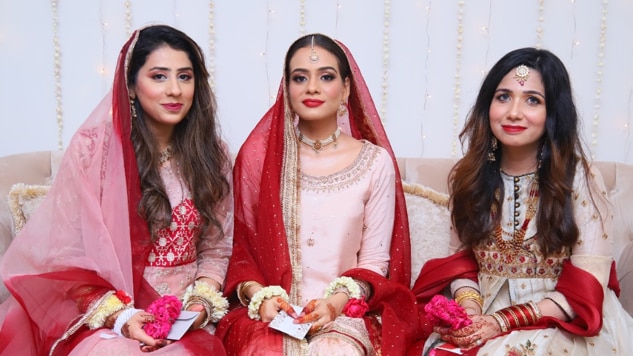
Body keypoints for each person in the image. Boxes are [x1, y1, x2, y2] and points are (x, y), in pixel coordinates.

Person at [0, 24, 233, 355]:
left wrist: (199, 304)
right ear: (132, 86)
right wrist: (122, 316)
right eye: (158, 76)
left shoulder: (212, 155)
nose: (174, 90)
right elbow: (65, 254)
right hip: (109, 314)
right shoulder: (94, 151)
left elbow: (217, 248)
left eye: (185, 76)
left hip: (185, 317)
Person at [412, 47, 633, 355]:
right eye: (503, 97)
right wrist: (471, 311)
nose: (513, 112)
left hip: (558, 316)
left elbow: (588, 281)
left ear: (553, 112)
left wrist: (503, 321)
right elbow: (461, 263)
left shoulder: (578, 177)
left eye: (532, 100)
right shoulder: (469, 175)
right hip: (486, 309)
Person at [215, 33, 420, 355]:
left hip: (345, 310)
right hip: (272, 314)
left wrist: (335, 304)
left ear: (347, 89)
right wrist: (260, 296)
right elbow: (240, 250)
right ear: (286, 88)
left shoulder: (374, 162)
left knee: (334, 350)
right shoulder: (259, 160)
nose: (312, 87)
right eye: (300, 78)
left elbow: (376, 261)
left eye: (326, 77)